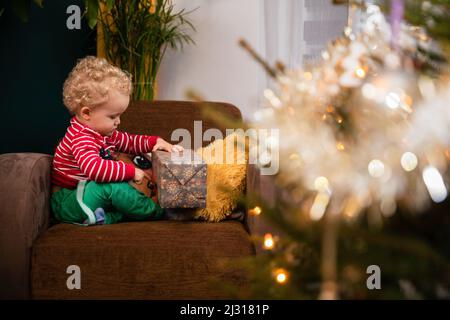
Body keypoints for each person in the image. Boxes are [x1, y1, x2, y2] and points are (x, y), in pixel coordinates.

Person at [51, 56, 183, 225]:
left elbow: (130, 141)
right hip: (70, 200)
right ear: (86, 113)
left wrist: (157, 141)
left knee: (116, 191)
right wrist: (130, 171)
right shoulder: (81, 137)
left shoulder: (103, 133)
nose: (118, 121)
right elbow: (95, 169)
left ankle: (106, 218)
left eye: (120, 115)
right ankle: (158, 212)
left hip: (85, 193)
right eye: (112, 116)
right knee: (112, 187)